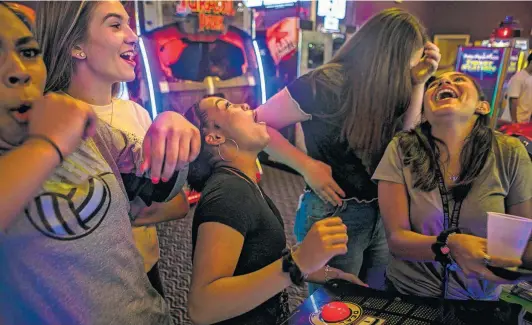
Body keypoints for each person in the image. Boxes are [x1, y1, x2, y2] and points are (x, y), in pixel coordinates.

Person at [0, 3, 198, 324]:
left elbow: (168, 189)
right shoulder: (55, 127)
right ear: (74, 46)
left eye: (28, 52)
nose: (18, 69)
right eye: (115, 25)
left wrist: (174, 127)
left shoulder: (82, 120)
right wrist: (48, 144)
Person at [254, 8, 441, 292]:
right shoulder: (325, 83)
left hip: (382, 211)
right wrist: (305, 165)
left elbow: (405, 144)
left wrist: (418, 85)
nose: (412, 68)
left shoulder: (396, 85)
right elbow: (257, 124)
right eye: (410, 60)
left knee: (374, 301)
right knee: (334, 307)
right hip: (334, 211)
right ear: (392, 55)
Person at [186, 97, 366, 325]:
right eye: (228, 106)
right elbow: (202, 307)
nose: (243, 105)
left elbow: (258, 259)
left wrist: (326, 273)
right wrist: (297, 262)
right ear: (215, 137)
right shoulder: (228, 192)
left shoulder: (242, 182)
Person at [372, 71, 532, 300]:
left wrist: (513, 264)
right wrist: (450, 246)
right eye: (434, 83)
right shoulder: (401, 147)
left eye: (458, 80)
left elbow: (523, 240)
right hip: (409, 294)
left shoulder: (509, 152)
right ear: (425, 112)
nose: (444, 82)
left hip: (478, 300)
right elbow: (396, 239)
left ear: (482, 107)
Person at [506, 53, 532, 123]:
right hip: (514, 121)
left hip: (524, 121)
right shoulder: (518, 78)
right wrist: (514, 121)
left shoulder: (530, 77)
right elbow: (513, 101)